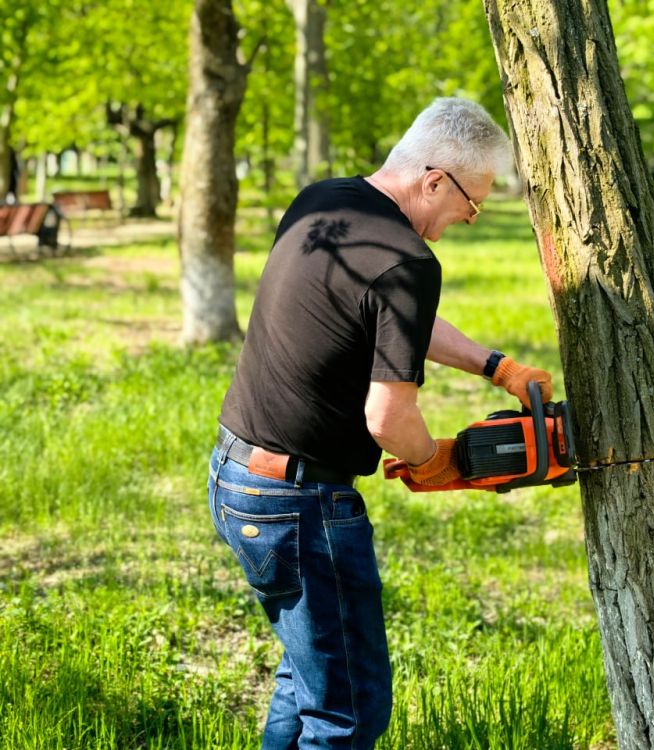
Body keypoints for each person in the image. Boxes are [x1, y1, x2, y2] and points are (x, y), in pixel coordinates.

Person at [207, 97, 554, 750]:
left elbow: (384, 319)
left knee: (306, 679)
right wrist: (434, 462)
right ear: (434, 180)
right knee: (350, 712)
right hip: (299, 504)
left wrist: (495, 366)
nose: (462, 222)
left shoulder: (324, 202)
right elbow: (389, 416)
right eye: (470, 204)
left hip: (236, 476)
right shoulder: (409, 262)